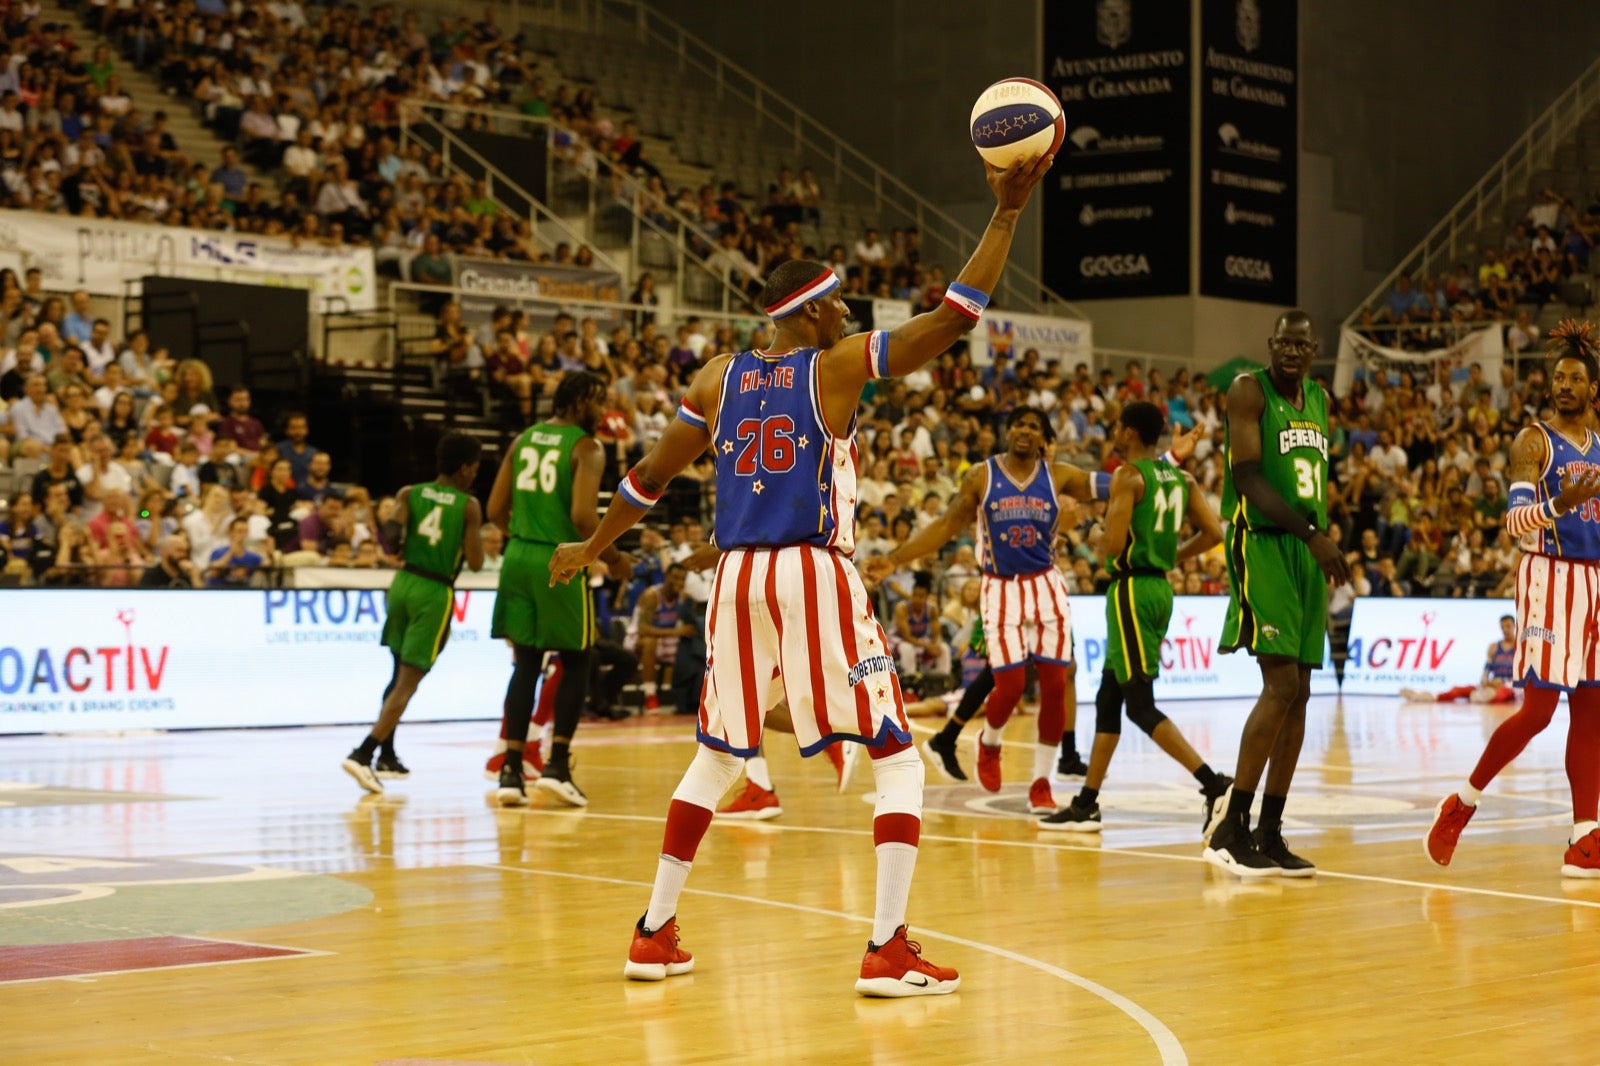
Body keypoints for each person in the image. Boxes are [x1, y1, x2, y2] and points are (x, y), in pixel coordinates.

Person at [548, 153, 1053, 996]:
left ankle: (651, 932)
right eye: (843, 301)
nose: (851, 310)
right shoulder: (837, 365)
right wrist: (1005, 214)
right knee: (898, 756)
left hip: (736, 580)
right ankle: (888, 948)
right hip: (812, 572)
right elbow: (955, 317)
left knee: (715, 754)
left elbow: (648, 478)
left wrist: (594, 547)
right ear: (814, 311)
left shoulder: (716, 379)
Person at [1426, 321, 1600, 875]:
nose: (1565, 385)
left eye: (1576, 378)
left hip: (1594, 584)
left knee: (1592, 711)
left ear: (1594, 389)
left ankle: (1584, 837)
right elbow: (1511, 522)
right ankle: (1462, 802)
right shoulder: (1534, 441)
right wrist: (1558, 505)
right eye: (1558, 378)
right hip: (1547, 577)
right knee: (1540, 711)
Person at [865, 406, 1093, 817]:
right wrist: (896, 559)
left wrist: (1169, 465)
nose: (1025, 431)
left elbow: (1119, 484)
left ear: (1043, 438)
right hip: (1000, 586)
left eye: (1034, 427)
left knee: (1056, 687)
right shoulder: (982, 476)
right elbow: (945, 525)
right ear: (1008, 432)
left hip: (1046, 584)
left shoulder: (1060, 476)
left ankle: (1042, 782)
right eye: (1020, 424)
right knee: (1007, 684)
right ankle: (989, 743)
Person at [1036, 402, 1233, 833]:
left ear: (1128, 432)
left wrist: (1089, 532)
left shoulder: (1128, 476)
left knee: (1140, 706)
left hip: (1129, 591)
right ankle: (1087, 802)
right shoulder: (1181, 478)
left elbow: (1112, 543)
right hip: (1160, 587)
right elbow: (1214, 533)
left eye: (1118, 427)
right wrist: (1172, 556)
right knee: (1109, 699)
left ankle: (1214, 784)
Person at [1205, 311, 1351, 879]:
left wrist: (1315, 535)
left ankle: (1270, 830)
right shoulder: (1249, 390)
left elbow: (1306, 475)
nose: (1292, 350)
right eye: (1283, 342)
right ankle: (1229, 828)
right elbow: (1248, 476)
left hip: (1305, 546)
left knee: (1303, 692)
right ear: (1271, 345)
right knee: (1281, 683)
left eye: (1301, 343)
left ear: (1314, 349)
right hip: (1264, 541)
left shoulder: (1318, 399)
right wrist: (1313, 535)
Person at [489, 371, 622, 808]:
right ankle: (557, 764)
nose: (603, 412)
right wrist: (616, 558)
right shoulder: (587, 448)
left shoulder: (523, 439)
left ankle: (510, 771)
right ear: (580, 399)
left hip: (516, 557)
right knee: (578, 657)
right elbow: (584, 517)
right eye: (599, 401)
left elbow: (494, 509)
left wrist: (528, 532)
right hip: (559, 559)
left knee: (525, 664)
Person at [342, 433, 485, 794]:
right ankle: (364, 752)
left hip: (403, 584)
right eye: (475, 467)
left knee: (396, 673)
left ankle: (386, 756)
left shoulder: (409, 493)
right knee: (408, 681)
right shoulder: (468, 505)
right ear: (465, 467)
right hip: (434, 590)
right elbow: (476, 561)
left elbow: (389, 538)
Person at [1400, 615, 1520, 705]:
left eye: (1508, 626)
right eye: (1502, 627)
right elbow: (1486, 670)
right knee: (1457, 690)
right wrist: (1484, 681)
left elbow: (1522, 674)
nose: (1505, 629)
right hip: (1492, 684)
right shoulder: (1493, 647)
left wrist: (1504, 681)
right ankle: (1427, 696)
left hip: (1510, 685)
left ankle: (1484, 696)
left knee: (1502, 694)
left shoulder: (1520, 647)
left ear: (1515, 626)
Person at [626, 562, 694, 711]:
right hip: (637, 639)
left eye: (682, 579)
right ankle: (650, 694)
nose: (679, 582)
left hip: (665, 639)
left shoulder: (683, 597)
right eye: (675, 578)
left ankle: (687, 697)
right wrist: (676, 632)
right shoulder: (652, 595)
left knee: (691, 645)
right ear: (666, 577)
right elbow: (642, 629)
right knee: (650, 642)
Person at [891, 572, 952, 678]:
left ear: (927, 597)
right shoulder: (902, 608)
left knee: (944, 648)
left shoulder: (931, 609)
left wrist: (936, 644)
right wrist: (928, 646)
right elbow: (906, 637)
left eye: (921, 596)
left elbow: (936, 634)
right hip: (898, 641)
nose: (917, 599)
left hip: (920, 640)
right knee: (907, 648)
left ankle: (943, 679)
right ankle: (909, 680)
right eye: (915, 595)